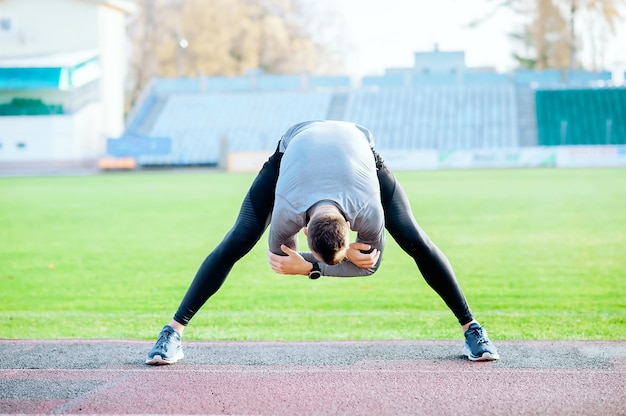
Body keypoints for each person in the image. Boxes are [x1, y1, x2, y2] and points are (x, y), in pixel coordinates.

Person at [146, 120, 499, 365]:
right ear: (302, 229)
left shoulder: (368, 211)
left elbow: (371, 265)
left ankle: (472, 328)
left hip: (360, 148)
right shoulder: (286, 213)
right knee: (236, 241)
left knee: (415, 240)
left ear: (351, 226)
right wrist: (318, 266)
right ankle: (172, 332)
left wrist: (311, 266)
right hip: (294, 148)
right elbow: (278, 260)